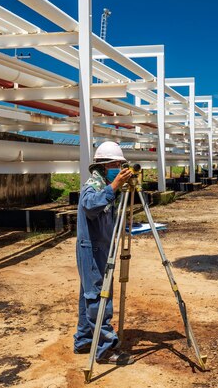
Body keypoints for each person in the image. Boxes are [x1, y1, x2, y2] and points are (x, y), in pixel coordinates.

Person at [73, 141, 134, 365]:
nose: (120, 169)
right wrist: (114, 186)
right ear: (106, 165)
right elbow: (89, 205)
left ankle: (84, 340)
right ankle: (105, 350)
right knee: (99, 296)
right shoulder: (93, 186)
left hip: (101, 247)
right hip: (92, 249)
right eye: (117, 165)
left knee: (87, 296)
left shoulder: (105, 184)